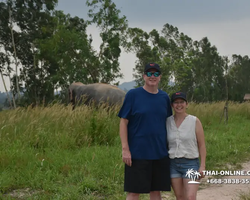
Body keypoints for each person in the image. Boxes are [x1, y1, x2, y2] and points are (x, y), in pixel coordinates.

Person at [118, 62, 172, 200]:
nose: (152, 76)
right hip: (137, 153)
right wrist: (125, 149)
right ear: (143, 76)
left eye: (155, 74)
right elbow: (123, 122)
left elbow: (168, 123)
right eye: (149, 73)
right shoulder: (133, 95)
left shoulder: (164, 98)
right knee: (134, 192)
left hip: (159, 152)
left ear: (160, 77)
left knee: (155, 191)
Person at [167, 92, 206, 200]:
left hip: (191, 163)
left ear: (186, 104)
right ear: (172, 105)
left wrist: (202, 166)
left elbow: (201, 145)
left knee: (190, 197)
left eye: (181, 102)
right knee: (180, 197)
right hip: (173, 164)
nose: (179, 105)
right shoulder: (168, 121)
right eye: (176, 102)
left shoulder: (194, 121)